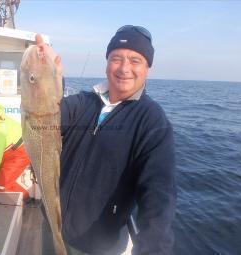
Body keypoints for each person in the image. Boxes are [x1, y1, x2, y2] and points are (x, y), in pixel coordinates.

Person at [37, 25, 176, 255]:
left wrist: (155, 248)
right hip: (52, 226)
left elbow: (159, 195)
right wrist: (48, 76)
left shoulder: (152, 121)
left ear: (147, 69)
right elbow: (44, 119)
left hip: (97, 247)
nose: (124, 68)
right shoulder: (83, 102)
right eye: (116, 58)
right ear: (106, 63)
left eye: (135, 60)